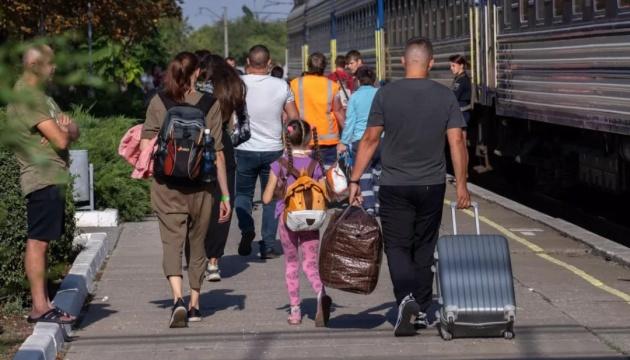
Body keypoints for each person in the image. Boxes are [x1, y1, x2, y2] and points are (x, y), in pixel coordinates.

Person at [349, 37, 471, 337]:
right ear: (431, 63)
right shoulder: (445, 96)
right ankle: (423, 306)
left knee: (397, 246)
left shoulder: (386, 94)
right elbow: (457, 141)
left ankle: (406, 300)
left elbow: (370, 139)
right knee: (424, 246)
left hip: (394, 184)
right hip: (431, 184)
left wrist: (354, 179)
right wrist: (463, 185)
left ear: (403, 62)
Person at [140, 52, 231, 327]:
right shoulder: (209, 103)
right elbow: (218, 154)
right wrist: (225, 194)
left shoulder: (158, 101)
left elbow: (146, 147)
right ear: (197, 74)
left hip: (167, 186)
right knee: (197, 244)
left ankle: (177, 299)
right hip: (202, 187)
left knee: (172, 244)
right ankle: (195, 304)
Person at [8, 45, 80, 325]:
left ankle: (45, 303)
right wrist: (62, 132)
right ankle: (40, 307)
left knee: (43, 242)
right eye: (51, 63)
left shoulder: (43, 98)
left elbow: (72, 130)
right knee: (37, 242)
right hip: (41, 177)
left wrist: (64, 129)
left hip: (52, 175)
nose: (55, 68)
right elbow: (62, 140)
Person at [262, 119, 332, 326]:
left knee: (292, 264)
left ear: (285, 138)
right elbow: (325, 193)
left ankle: (295, 311)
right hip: (311, 218)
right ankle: (320, 293)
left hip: (288, 219)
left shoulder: (279, 164)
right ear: (310, 138)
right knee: (311, 263)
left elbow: (266, 199)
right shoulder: (315, 164)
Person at [236, 45, 299, 260]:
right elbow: (294, 118)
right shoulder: (282, 85)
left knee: (243, 194)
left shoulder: (238, 84)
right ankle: (268, 245)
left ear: (248, 61)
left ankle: (246, 229)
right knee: (271, 197)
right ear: (269, 62)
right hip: (273, 150)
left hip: (243, 148)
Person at [196, 53, 245, 282]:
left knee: (195, 200)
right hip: (222, 145)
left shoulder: (194, 87)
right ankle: (213, 261)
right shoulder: (233, 87)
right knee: (223, 204)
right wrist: (226, 138)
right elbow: (244, 129)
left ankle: (196, 253)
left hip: (192, 144)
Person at [338, 66, 379, 215]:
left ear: (358, 81)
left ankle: (369, 206)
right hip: (380, 138)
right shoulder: (380, 94)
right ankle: (380, 203)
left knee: (364, 172)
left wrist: (344, 141)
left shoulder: (354, 97)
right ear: (374, 79)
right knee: (378, 172)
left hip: (360, 141)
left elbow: (350, 122)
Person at [290, 53, 342, 167]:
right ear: (324, 67)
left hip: (303, 138)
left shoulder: (295, 84)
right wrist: (347, 137)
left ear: (308, 66)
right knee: (329, 178)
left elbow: (289, 112)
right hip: (328, 142)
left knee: (305, 179)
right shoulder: (332, 86)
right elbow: (338, 111)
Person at [449, 54, 472, 140]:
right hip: (461, 114)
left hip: (461, 114)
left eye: (453, 65)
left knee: (459, 141)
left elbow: (453, 97)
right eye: (451, 66)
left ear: (461, 65)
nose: (451, 68)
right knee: (461, 141)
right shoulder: (460, 78)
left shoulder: (461, 81)